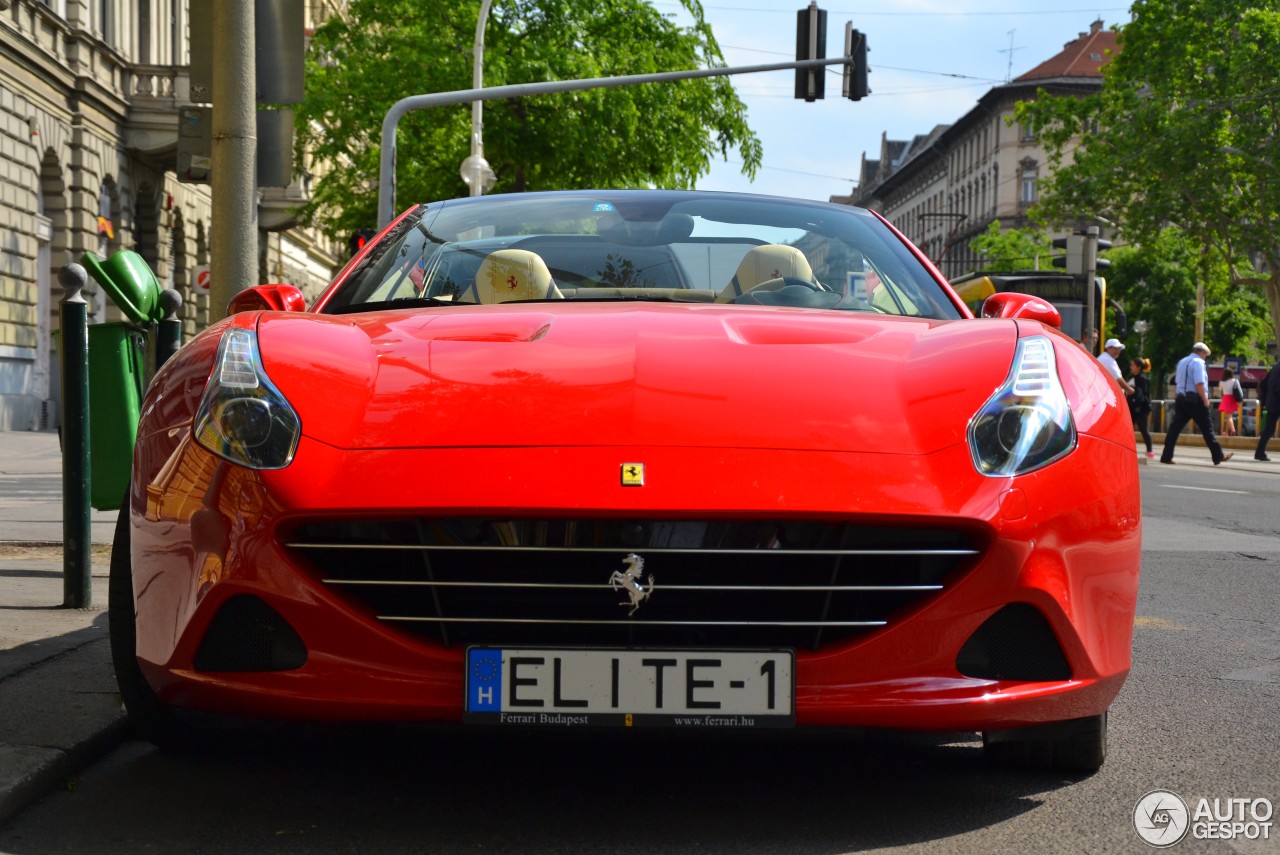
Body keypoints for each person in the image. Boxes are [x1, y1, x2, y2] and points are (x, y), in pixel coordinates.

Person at [1160, 342, 1233, 465]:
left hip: (1181, 399)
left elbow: (1178, 382)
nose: (1205, 357)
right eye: (1205, 355)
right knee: (1207, 429)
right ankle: (1218, 456)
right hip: (1195, 400)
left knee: (1174, 429)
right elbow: (1199, 383)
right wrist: (1205, 400)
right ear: (1202, 352)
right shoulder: (1198, 363)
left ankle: (1166, 456)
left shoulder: (1182, 362)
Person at [1128, 356, 1154, 458]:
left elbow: (1142, 395)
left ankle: (1150, 451)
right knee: (1131, 429)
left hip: (1140, 409)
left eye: (1132, 365)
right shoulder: (1135, 378)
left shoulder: (1141, 379)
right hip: (1136, 408)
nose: (1131, 367)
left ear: (1138, 367)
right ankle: (1149, 451)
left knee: (1143, 429)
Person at [1255, 363, 1280, 462]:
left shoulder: (1276, 366)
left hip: (1271, 402)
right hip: (1277, 402)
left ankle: (1259, 452)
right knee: (1269, 430)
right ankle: (1259, 452)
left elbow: (1264, 383)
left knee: (1268, 430)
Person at [1218, 367, 1241, 437]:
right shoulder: (1235, 381)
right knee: (1229, 416)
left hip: (1226, 398)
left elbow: (1220, 390)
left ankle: (1233, 429)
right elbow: (1240, 391)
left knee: (1229, 417)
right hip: (1233, 399)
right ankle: (1226, 433)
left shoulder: (1222, 382)